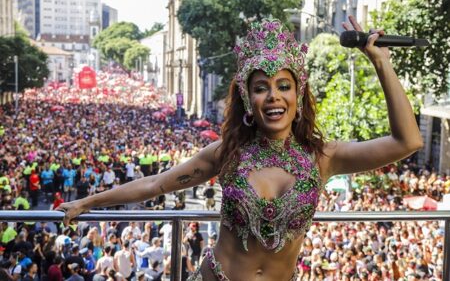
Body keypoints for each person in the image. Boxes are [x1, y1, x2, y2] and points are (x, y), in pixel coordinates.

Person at [58, 16, 423, 280]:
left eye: (284, 85)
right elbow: (156, 185)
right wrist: (88, 202)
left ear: (298, 95)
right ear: (249, 99)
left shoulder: (322, 157)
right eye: (262, 87)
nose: (274, 96)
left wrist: (381, 63)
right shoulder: (226, 153)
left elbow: (407, 141)